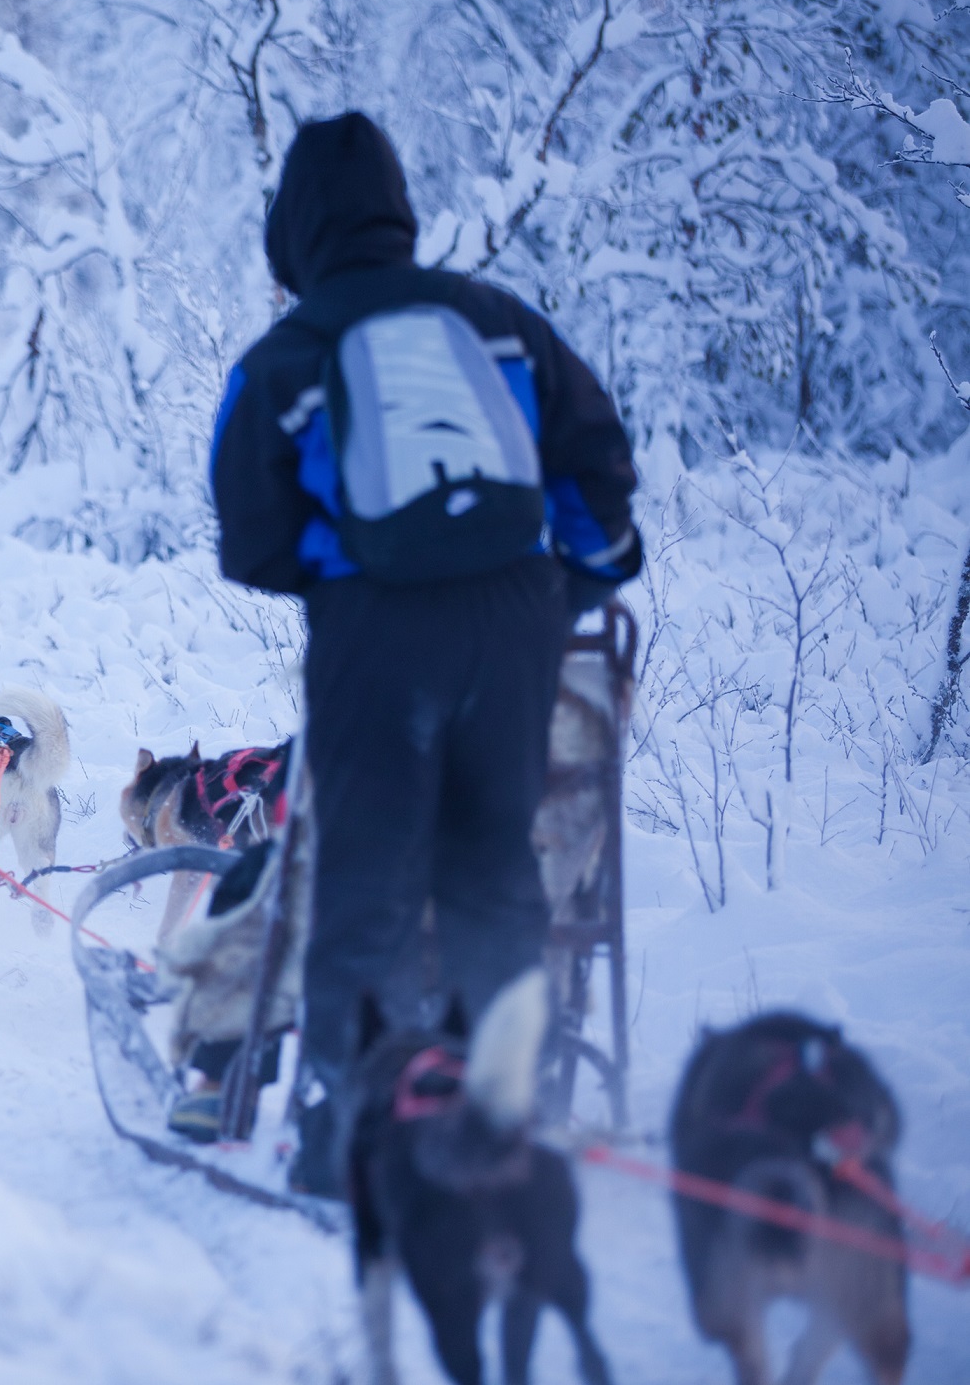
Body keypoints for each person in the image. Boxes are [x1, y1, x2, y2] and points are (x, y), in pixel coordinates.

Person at [209, 114, 641, 1197]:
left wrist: (355, 563)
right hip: (515, 629)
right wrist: (562, 588)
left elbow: (250, 535)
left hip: (378, 643)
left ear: (293, 230)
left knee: (365, 888)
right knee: (497, 873)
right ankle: (507, 1122)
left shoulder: (288, 355)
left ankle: (336, 1147)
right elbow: (601, 468)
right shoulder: (499, 322)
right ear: (399, 209)